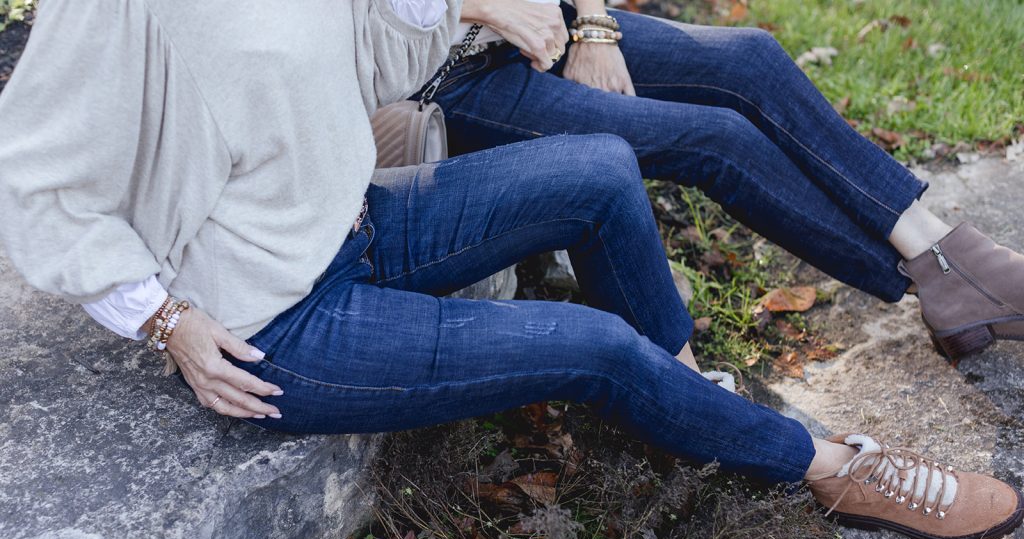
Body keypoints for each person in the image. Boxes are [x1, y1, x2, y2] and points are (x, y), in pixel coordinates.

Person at [0, 0, 1020, 539]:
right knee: (590, 345)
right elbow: (31, 170)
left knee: (600, 168)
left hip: (353, 226)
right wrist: (162, 314)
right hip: (279, 321)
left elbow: (368, 61)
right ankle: (833, 467)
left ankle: (690, 399)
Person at [418, 0, 1024, 361]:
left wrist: (594, 26)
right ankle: (951, 284)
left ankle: (941, 251)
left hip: (554, 24)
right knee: (715, 138)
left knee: (750, 59)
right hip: (457, 71)